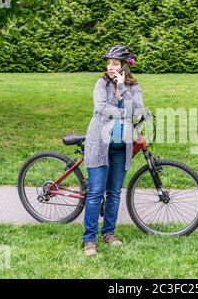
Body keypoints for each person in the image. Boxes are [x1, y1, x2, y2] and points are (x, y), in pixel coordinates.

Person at [82, 45, 144, 256]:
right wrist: (125, 113)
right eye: (108, 63)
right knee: (95, 193)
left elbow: (138, 111)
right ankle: (89, 239)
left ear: (125, 66)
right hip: (99, 144)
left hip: (120, 147)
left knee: (115, 193)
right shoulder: (101, 84)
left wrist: (123, 88)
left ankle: (109, 232)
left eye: (115, 63)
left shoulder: (134, 87)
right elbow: (101, 108)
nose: (110, 67)